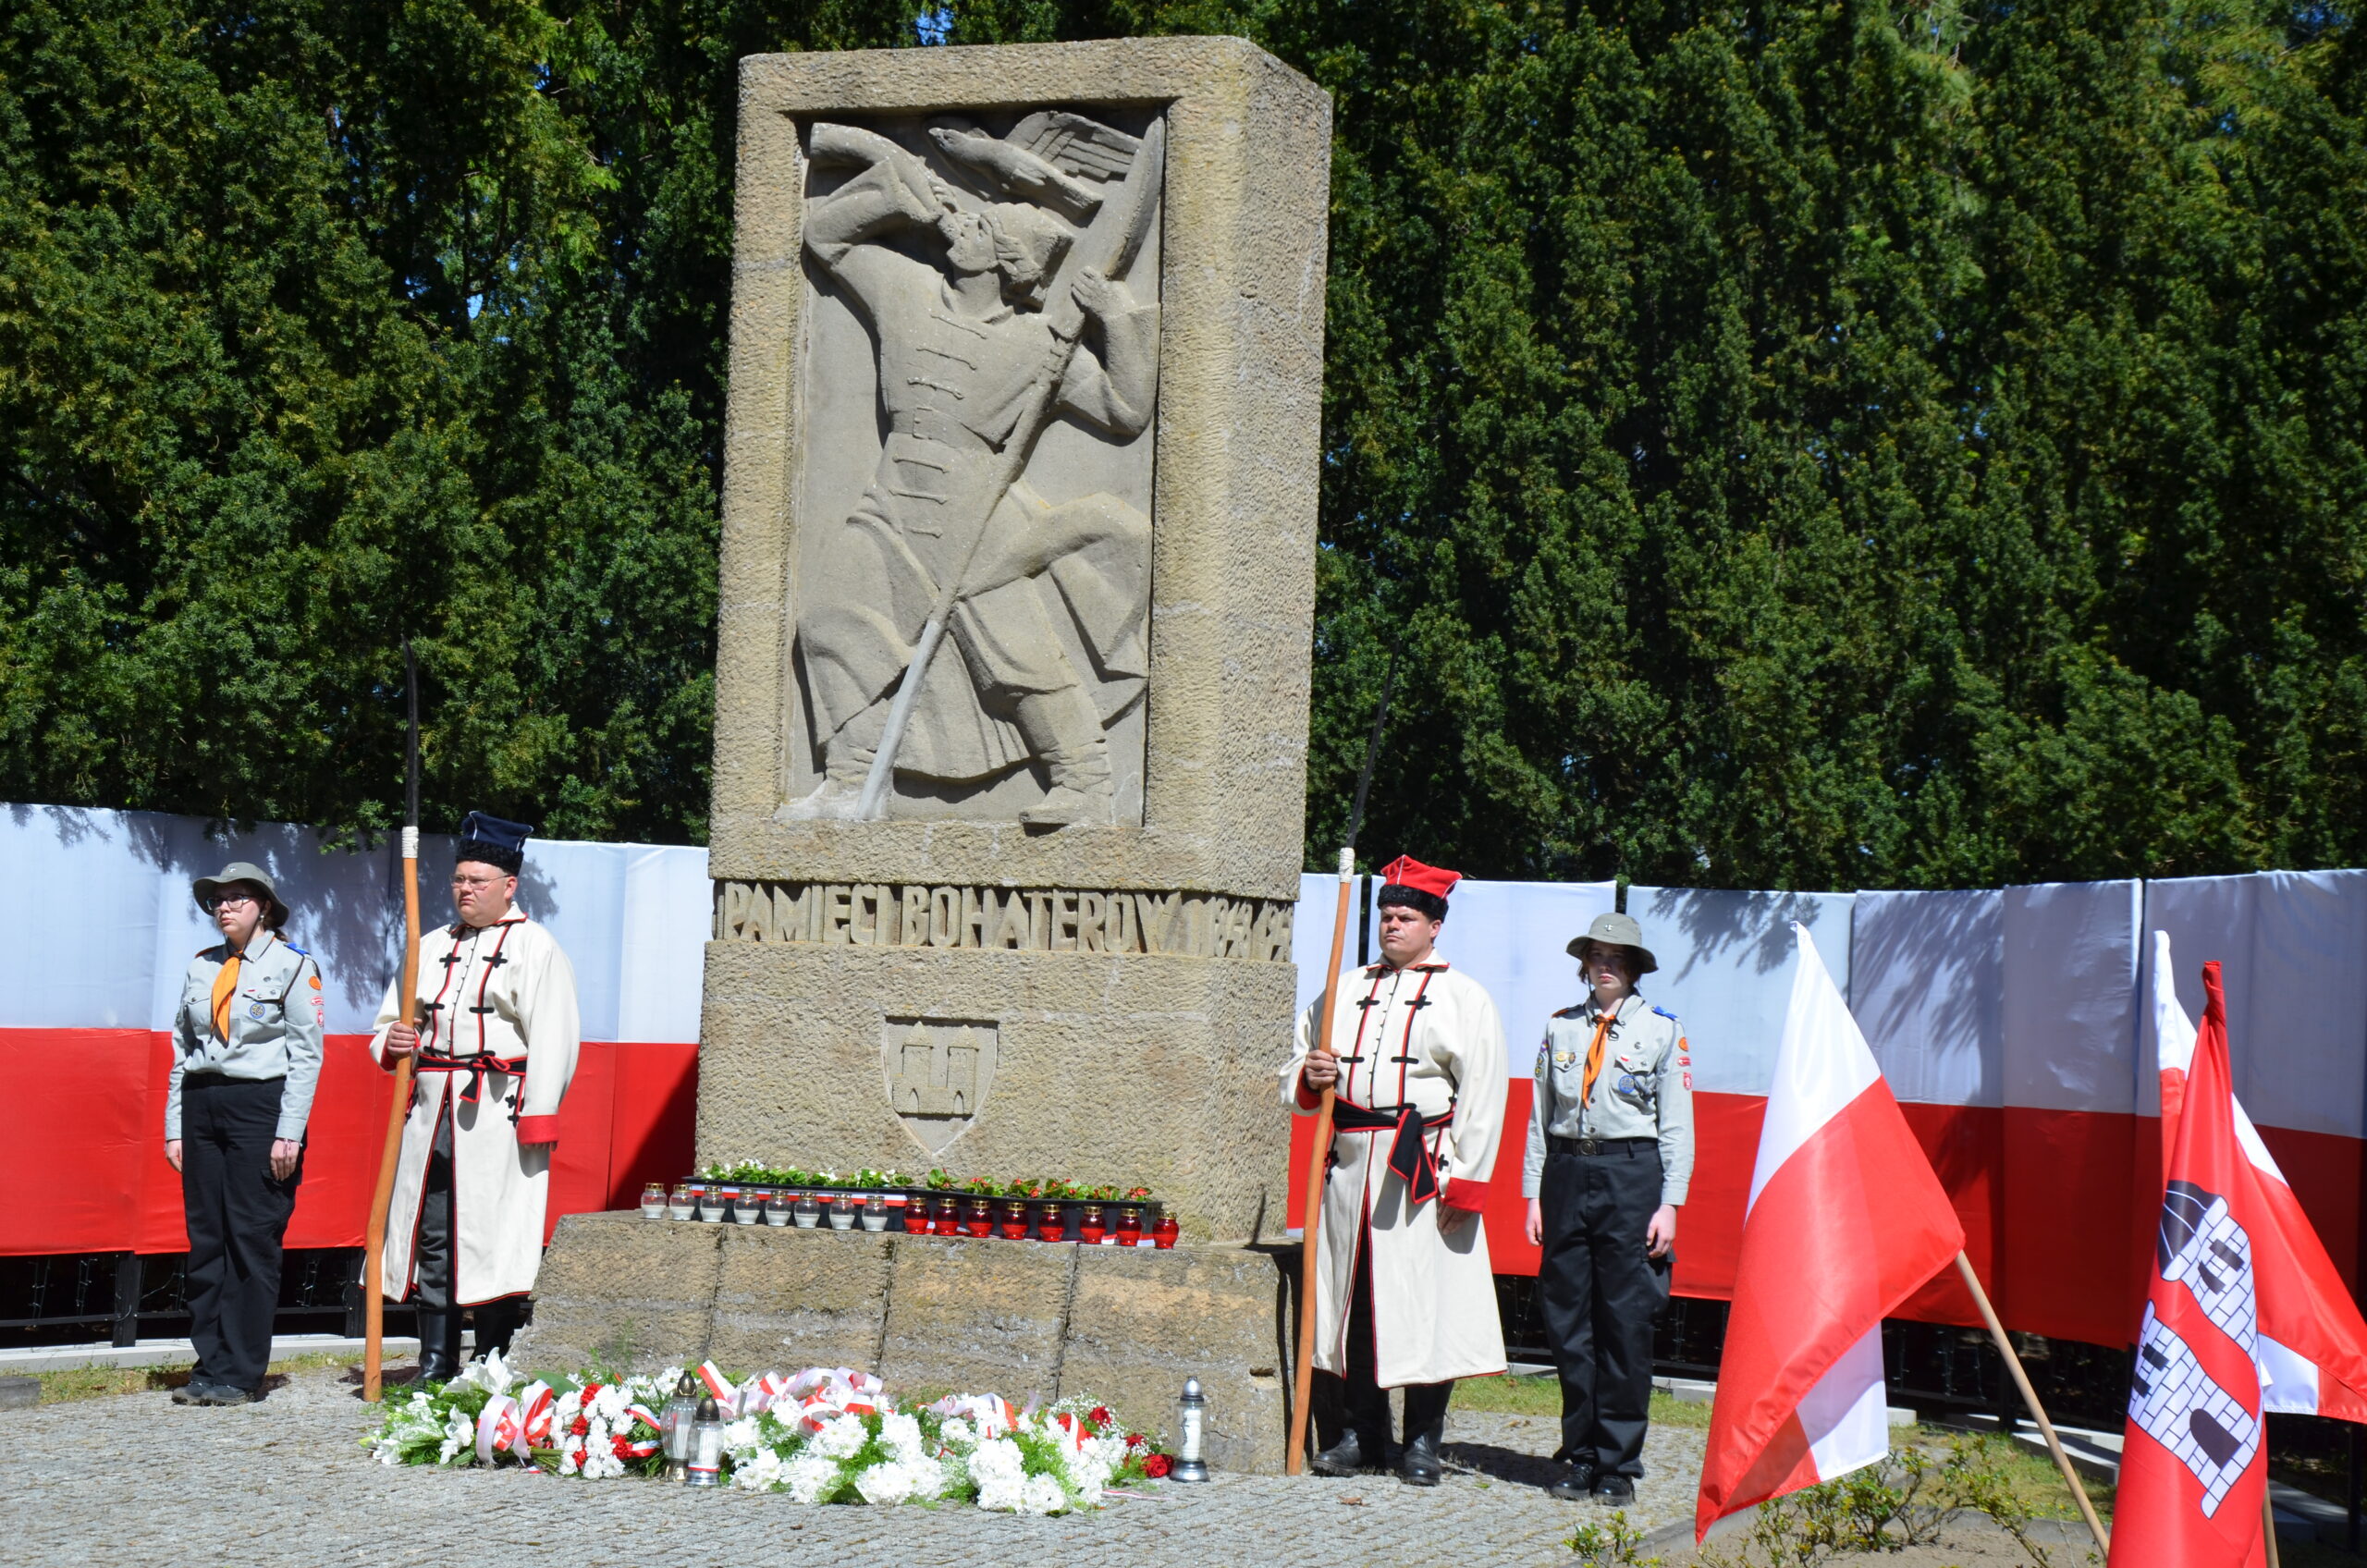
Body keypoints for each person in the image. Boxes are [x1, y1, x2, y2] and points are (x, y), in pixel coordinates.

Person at [1283, 855, 1510, 1485]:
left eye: (1406, 917)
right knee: (1355, 1306)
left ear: (1434, 925)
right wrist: (1312, 1074)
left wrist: (1466, 1178)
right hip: (1352, 1168)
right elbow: (1297, 1064)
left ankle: (1422, 1444)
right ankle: (1362, 1435)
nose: (1392, 926)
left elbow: (1486, 1093)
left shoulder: (1466, 998)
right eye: (1386, 915)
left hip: (1423, 1171)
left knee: (1425, 1305)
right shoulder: (1345, 987)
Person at [369, 813, 581, 1381]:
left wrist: (539, 1115)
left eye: (478, 881)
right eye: (459, 879)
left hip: (498, 1116)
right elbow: (389, 1022)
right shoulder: (429, 944)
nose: (465, 890)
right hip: (429, 1112)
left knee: (490, 1234)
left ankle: (491, 1357)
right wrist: (391, 1039)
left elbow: (555, 1037)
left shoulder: (536, 947)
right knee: (432, 1232)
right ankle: (435, 1360)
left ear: (509, 885)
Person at [1522, 912, 1695, 1503]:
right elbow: (1539, 1118)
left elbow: (1676, 1127)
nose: (1606, 966)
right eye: (1597, 956)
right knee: (1570, 1324)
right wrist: (1533, 1194)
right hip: (1568, 1173)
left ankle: (1618, 1463)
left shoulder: (1663, 1031)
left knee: (1624, 1322)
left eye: (1617, 959)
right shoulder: (1559, 1028)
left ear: (1635, 968)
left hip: (1631, 1174)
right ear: (1585, 964)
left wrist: (1670, 1203)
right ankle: (1580, 1455)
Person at [165, 862, 325, 1406]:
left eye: (237, 898)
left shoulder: (293, 965)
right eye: (217, 900)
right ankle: (209, 1364)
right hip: (203, 1103)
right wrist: (174, 1128)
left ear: (265, 907)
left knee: (251, 1239)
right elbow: (182, 1053)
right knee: (207, 1240)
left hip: (261, 1105)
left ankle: (241, 1370)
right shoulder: (201, 967)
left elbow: (306, 1056)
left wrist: (290, 1132)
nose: (225, 907)